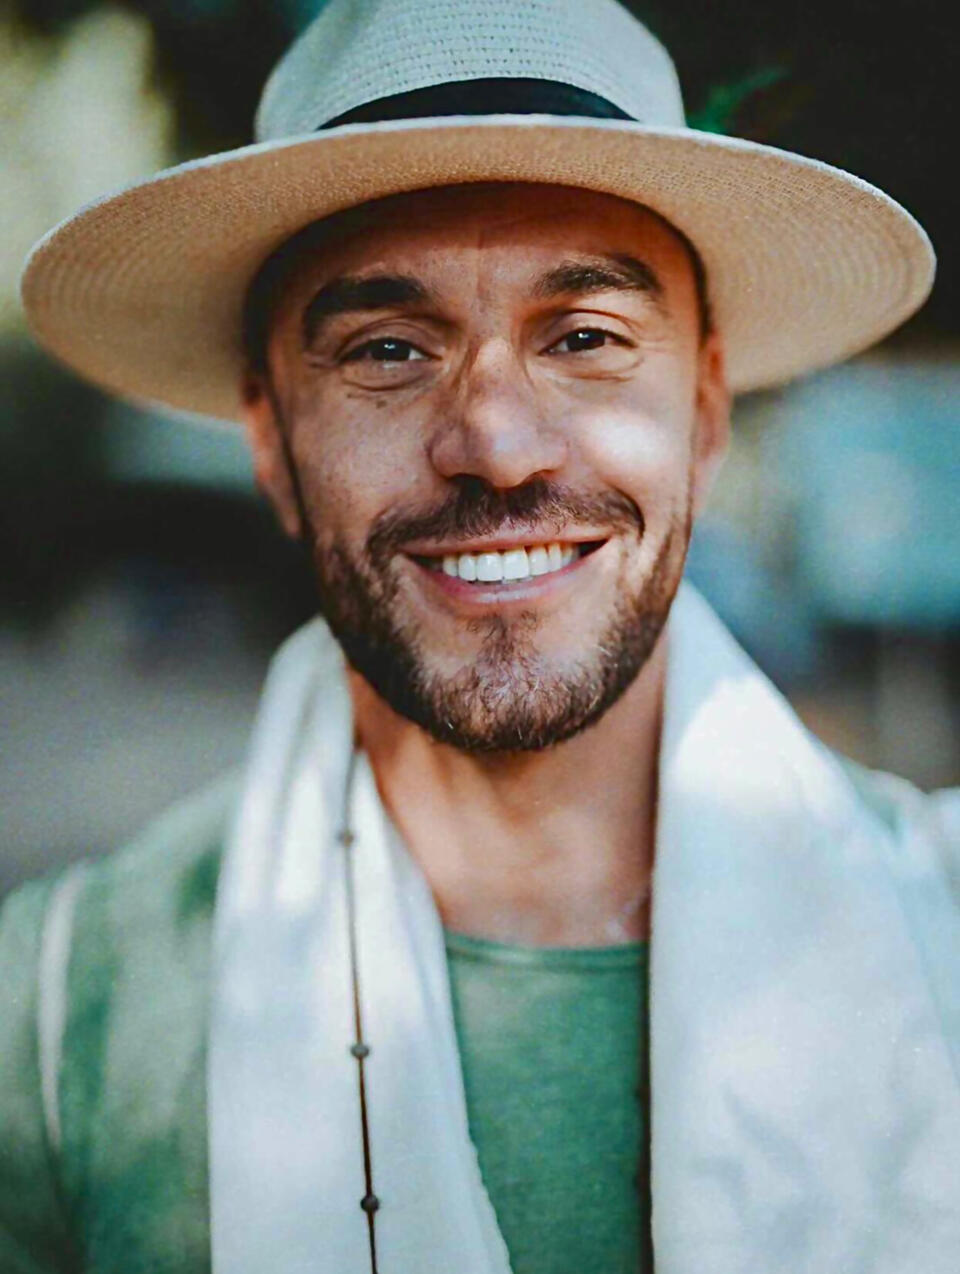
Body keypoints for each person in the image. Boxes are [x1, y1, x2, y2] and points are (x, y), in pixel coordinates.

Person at [5, 0, 959, 1271]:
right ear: (271, 441)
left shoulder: (941, 931)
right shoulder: (58, 1024)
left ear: (706, 410)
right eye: (389, 349)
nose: (497, 444)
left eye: (586, 338)